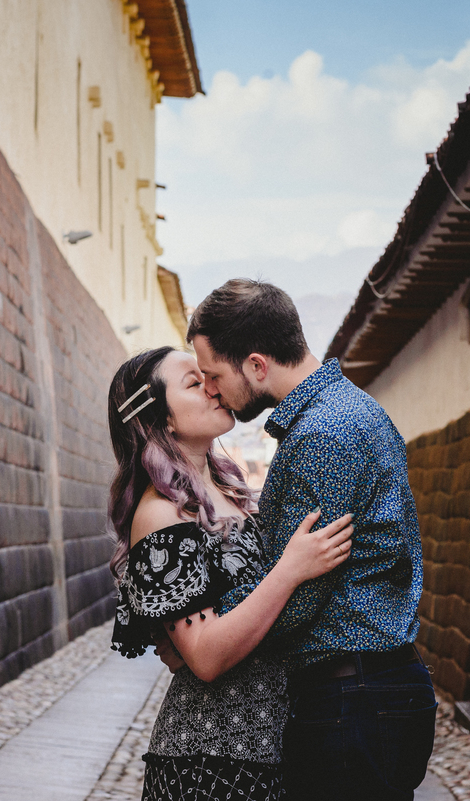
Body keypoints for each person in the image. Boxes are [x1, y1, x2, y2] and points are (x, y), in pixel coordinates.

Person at [185, 278, 436, 801]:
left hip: (350, 700)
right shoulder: (344, 412)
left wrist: (205, 635)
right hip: (367, 694)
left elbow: (298, 601)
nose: (210, 389)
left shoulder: (323, 435)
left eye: (213, 375)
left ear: (256, 365)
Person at [108, 346, 355, 801]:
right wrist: (290, 570)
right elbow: (203, 656)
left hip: (271, 746)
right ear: (163, 419)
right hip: (212, 762)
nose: (211, 386)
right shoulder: (161, 514)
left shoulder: (229, 492)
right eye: (192, 382)